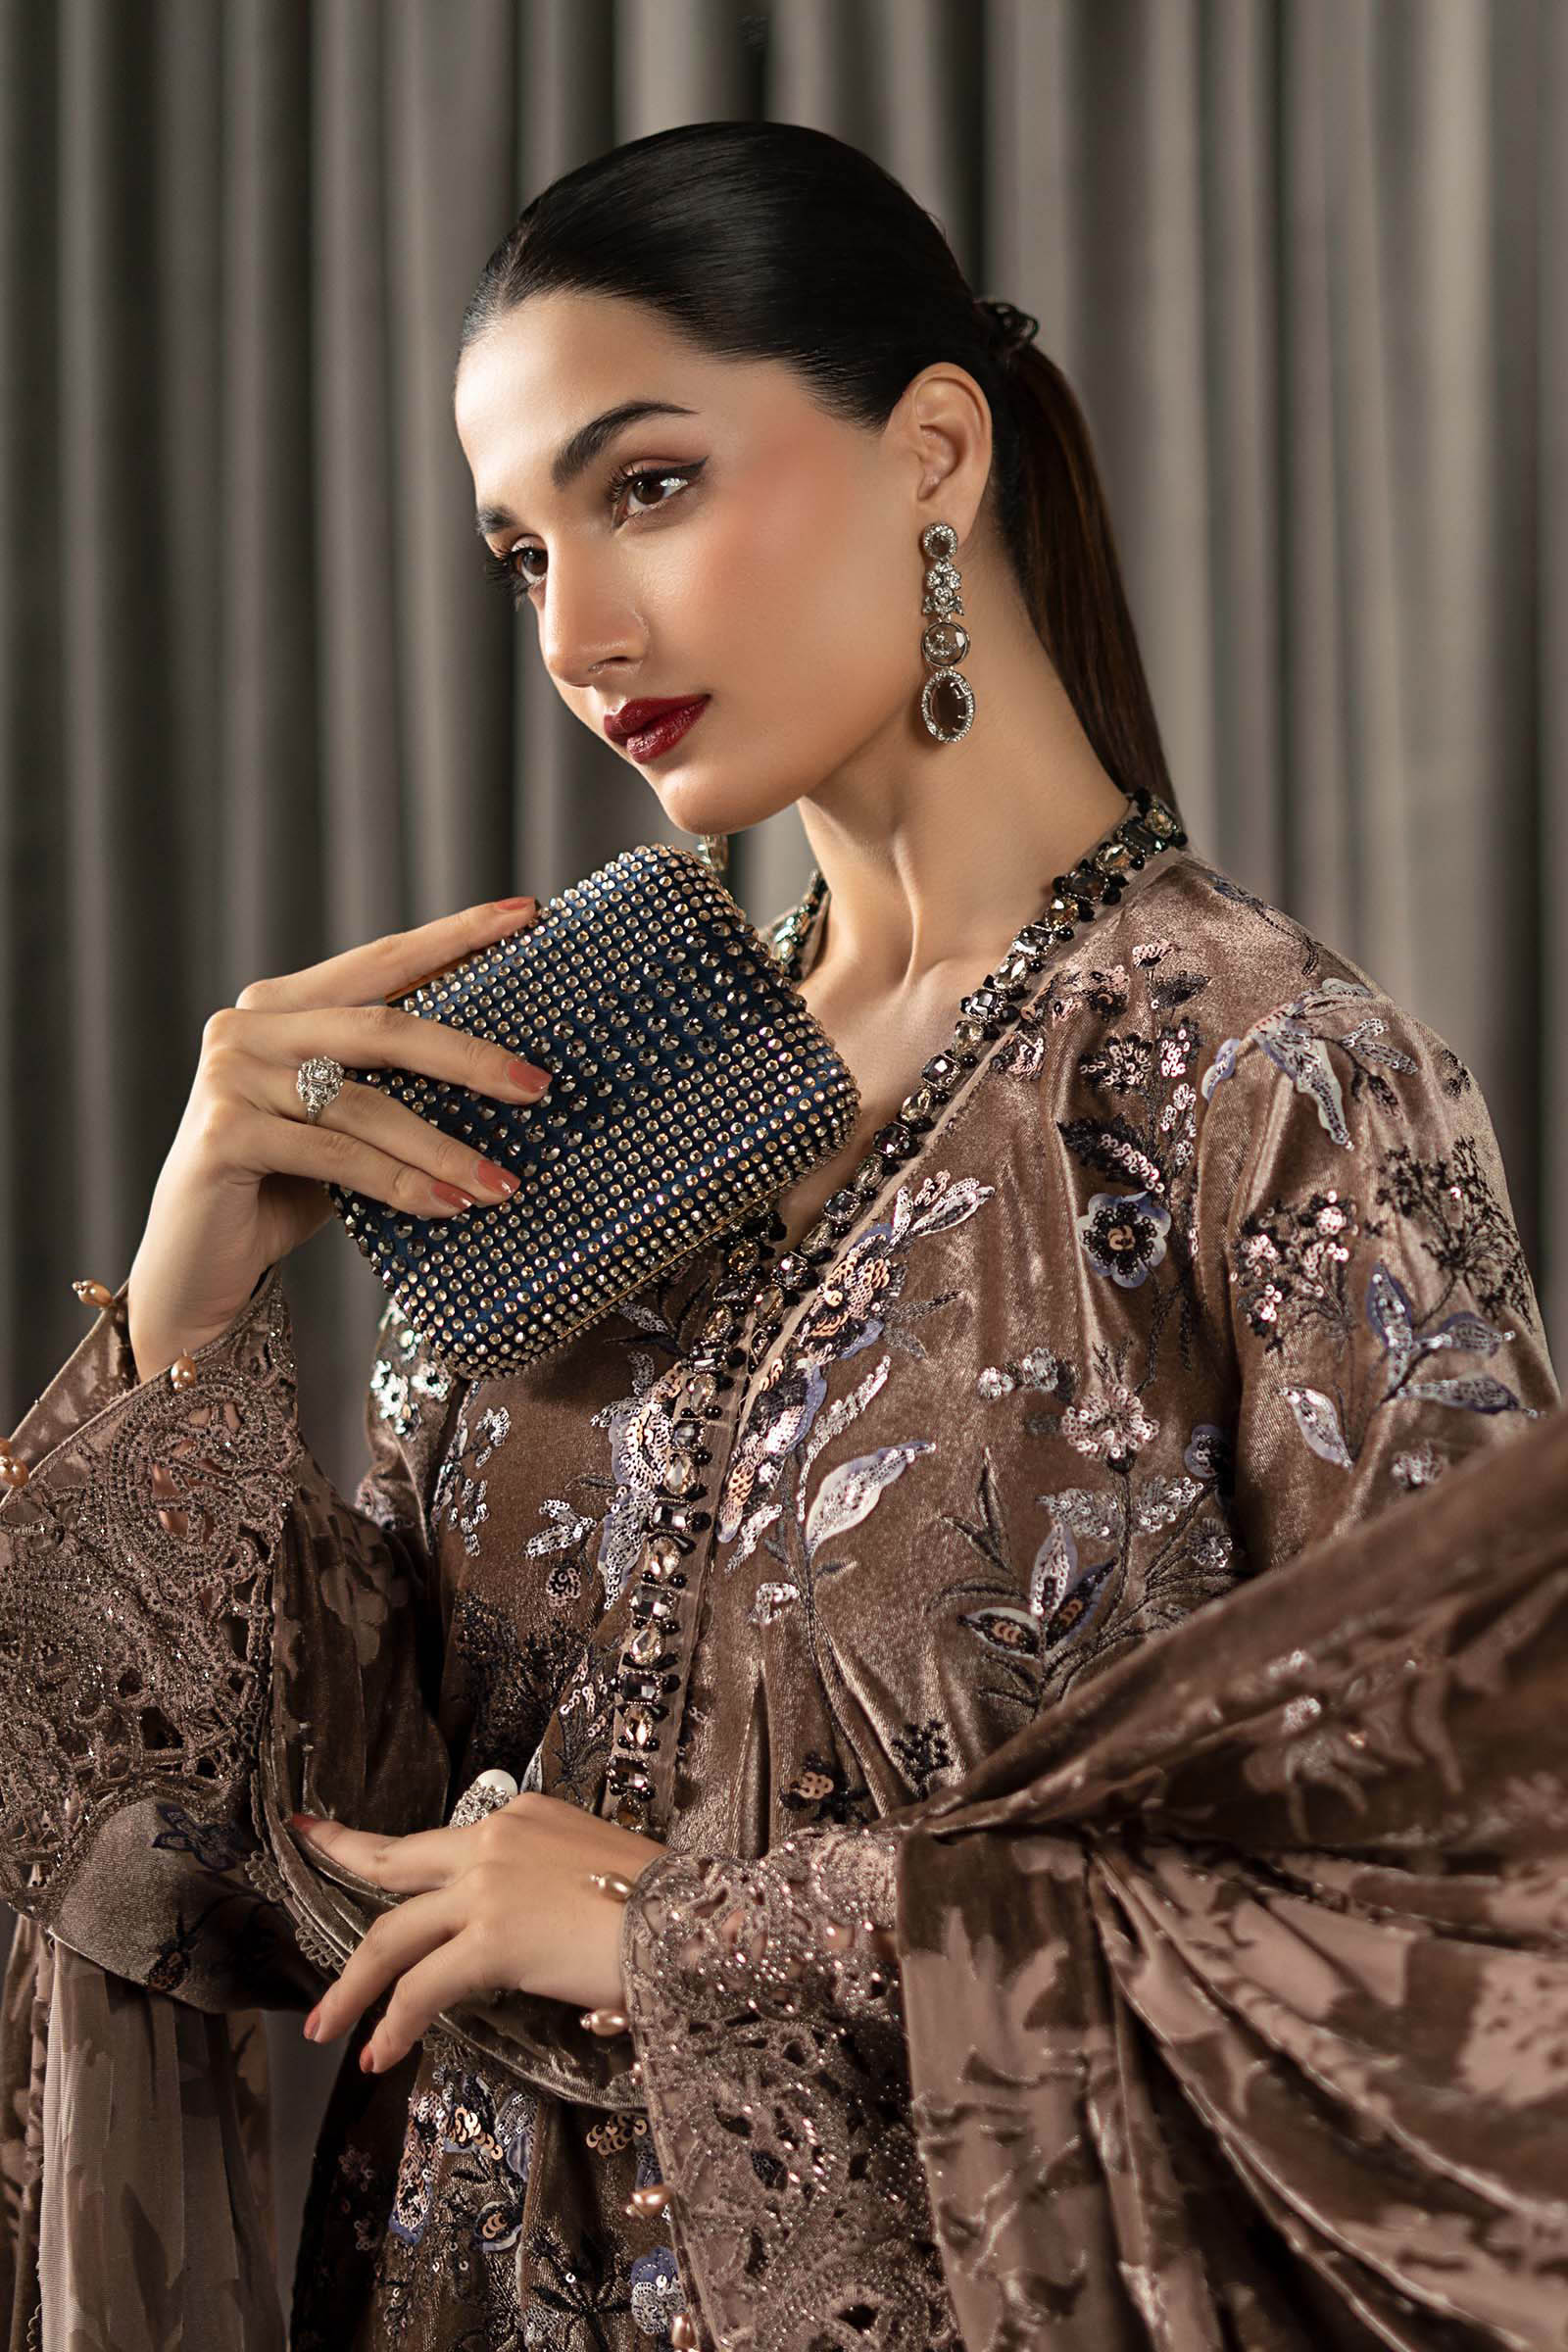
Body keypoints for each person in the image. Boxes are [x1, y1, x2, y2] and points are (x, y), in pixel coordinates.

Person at [0, 117, 1563, 2352]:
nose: (579, 632)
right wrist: (190, 1305)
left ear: (934, 450)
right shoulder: (587, 1071)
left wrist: (694, 1934)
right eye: (520, 556)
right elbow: (246, 1866)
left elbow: (1469, 1922)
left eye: (646, 488)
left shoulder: (1260, 1082)